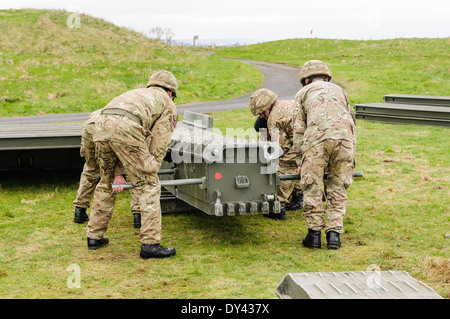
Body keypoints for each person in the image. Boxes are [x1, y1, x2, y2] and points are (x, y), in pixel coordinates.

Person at [85, 70, 178, 259]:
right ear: (170, 92)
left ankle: (94, 236)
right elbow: (160, 141)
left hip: (101, 125)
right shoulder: (167, 103)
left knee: (106, 181)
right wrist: (152, 166)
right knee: (149, 184)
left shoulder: (136, 94)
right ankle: (150, 245)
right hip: (126, 128)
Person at [293, 60, 356, 250]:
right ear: (327, 77)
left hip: (316, 142)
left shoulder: (302, 93)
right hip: (344, 141)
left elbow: (298, 129)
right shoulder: (340, 91)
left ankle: (314, 236)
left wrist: (299, 160)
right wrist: (351, 156)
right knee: (338, 187)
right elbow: (351, 122)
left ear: (305, 80)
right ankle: (334, 235)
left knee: (312, 186)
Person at [73, 109, 142, 228]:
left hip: (90, 126)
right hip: (109, 129)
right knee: (132, 170)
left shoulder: (111, 109)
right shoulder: (134, 117)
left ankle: (80, 210)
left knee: (91, 169)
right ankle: (138, 215)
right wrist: (118, 174)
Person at [249, 88, 303, 220]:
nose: (261, 116)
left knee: (285, 166)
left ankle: (277, 207)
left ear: (267, 107)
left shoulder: (274, 118)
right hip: (313, 140)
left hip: (300, 142)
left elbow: (278, 148)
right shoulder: (286, 104)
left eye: (261, 113)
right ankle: (299, 196)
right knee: (300, 165)